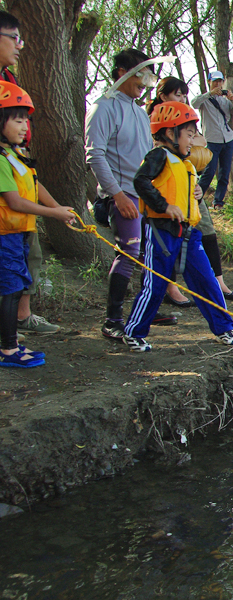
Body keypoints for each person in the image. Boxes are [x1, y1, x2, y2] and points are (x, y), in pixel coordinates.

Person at [122, 101, 233, 352]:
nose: (193, 140)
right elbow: (141, 181)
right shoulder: (159, 156)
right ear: (169, 133)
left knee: (206, 280)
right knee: (156, 284)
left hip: (189, 235)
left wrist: (195, 192)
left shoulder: (185, 163)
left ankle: (224, 328)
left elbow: (180, 189)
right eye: (188, 134)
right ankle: (134, 332)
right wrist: (164, 206)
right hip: (162, 232)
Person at [85, 49, 177, 341]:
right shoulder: (103, 108)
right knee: (128, 252)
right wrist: (118, 196)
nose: (145, 81)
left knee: (150, 255)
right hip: (121, 197)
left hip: (145, 198)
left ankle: (146, 309)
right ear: (122, 70)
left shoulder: (139, 112)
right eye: (140, 73)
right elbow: (95, 156)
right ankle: (112, 320)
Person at [0, 81, 78, 367]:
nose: (24, 126)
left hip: (17, 233)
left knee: (16, 286)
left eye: (26, 120)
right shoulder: (0, 159)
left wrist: (58, 207)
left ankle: (9, 343)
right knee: (9, 289)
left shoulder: (15, 156)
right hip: (5, 235)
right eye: (18, 119)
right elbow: (15, 202)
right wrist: (54, 214)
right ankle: (8, 349)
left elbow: (34, 185)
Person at [147, 77, 233, 306]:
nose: (182, 99)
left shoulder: (185, 117)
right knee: (167, 243)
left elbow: (200, 141)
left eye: (183, 95)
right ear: (163, 96)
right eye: (177, 95)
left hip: (191, 187)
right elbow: (146, 174)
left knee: (207, 231)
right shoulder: (155, 122)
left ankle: (219, 282)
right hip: (167, 194)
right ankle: (171, 289)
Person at [0, 10, 57, 334]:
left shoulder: (9, 81)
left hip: (16, 171)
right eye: (14, 38)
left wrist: (55, 209)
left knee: (26, 257)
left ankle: (20, 319)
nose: (20, 46)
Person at [190, 69, 233, 210]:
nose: (218, 84)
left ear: (223, 82)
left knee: (224, 173)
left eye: (220, 81)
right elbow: (194, 103)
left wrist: (232, 99)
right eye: (215, 81)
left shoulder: (225, 101)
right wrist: (209, 94)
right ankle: (195, 198)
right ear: (209, 82)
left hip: (227, 139)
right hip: (212, 140)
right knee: (209, 172)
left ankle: (218, 202)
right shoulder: (205, 100)